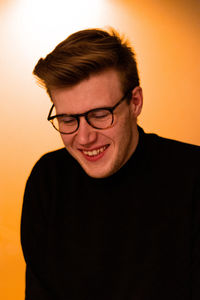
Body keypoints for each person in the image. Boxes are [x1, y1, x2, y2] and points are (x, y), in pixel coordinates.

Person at [21, 28, 200, 300]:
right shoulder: (47, 179)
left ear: (135, 102)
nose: (84, 137)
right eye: (68, 120)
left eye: (99, 114)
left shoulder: (194, 174)